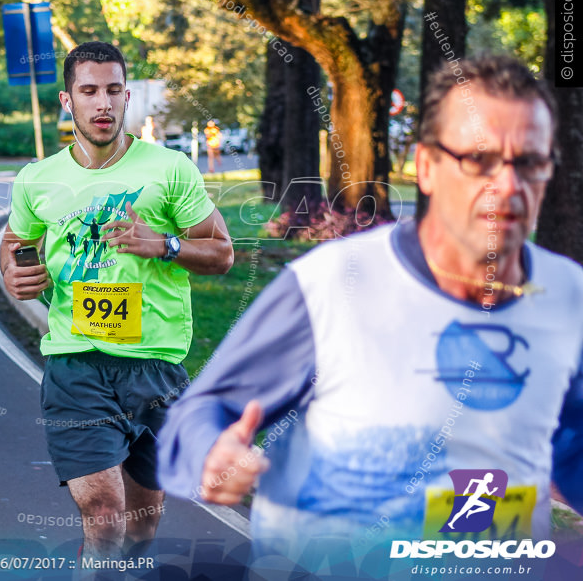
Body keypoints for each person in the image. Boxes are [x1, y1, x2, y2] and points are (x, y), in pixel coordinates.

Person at [158, 55, 583, 558]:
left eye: (530, 163)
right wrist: (214, 453)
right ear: (426, 166)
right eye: (480, 160)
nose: (509, 187)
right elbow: (199, 412)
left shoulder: (568, 294)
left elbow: (570, 440)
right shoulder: (334, 284)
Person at [0, 41, 234, 563]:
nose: (102, 103)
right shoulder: (38, 179)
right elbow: (14, 241)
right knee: (104, 515)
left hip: (155, 367)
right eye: (89, 91)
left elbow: (221, 253)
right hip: (76, 364)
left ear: (127, 96)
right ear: (68, 100)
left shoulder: (170, 170)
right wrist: (15, 273)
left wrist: (165, 244)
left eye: (112, 91)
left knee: (139, 529)